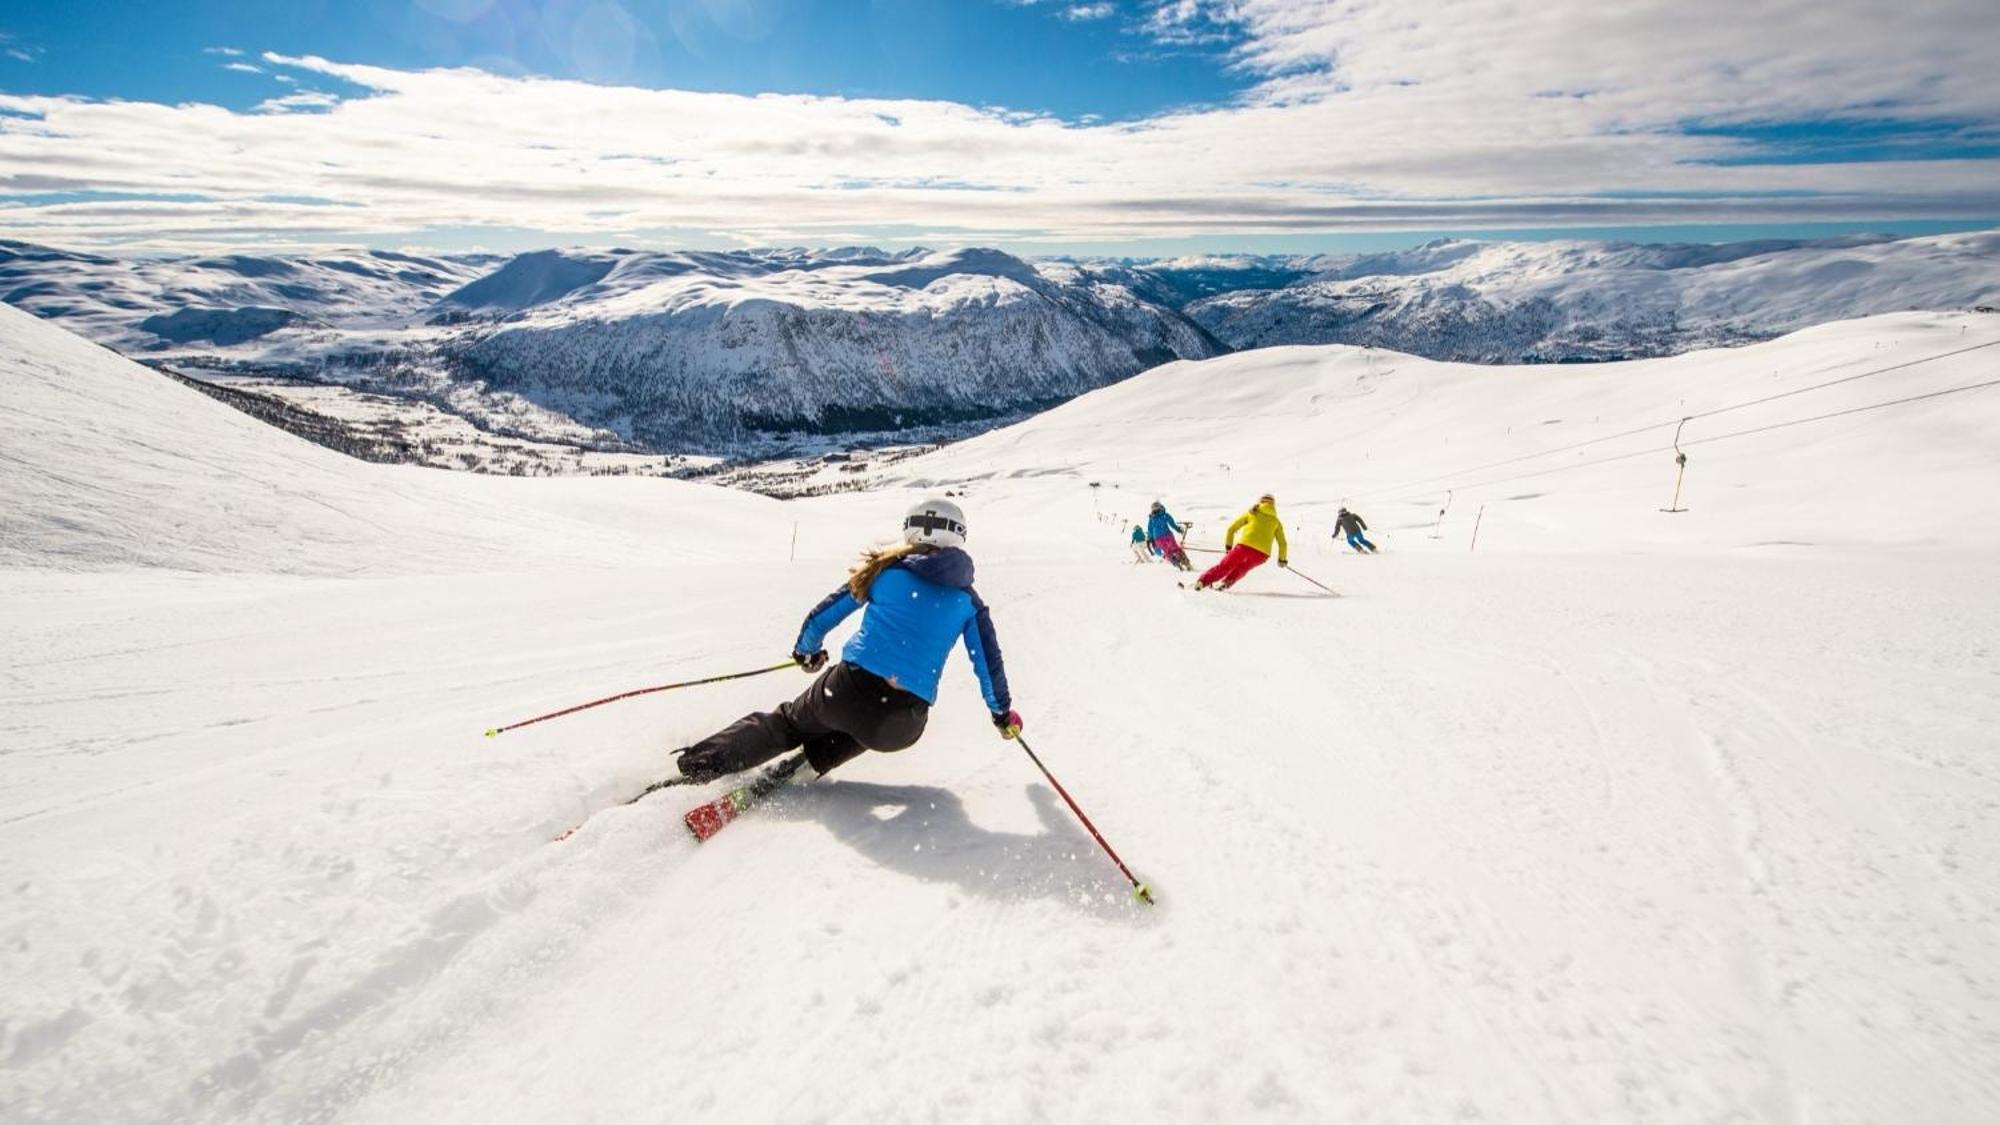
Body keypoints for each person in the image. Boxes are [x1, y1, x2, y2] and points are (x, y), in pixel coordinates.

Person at [674, 498, 1021, 784]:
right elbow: (990, 670)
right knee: (863, 727)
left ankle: (698, 766)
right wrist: (1002, 716)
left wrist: (807, 653)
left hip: (846, 691)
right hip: (904, 724)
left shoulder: (884, 573)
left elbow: (822, 617)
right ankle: (805, 766)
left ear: (911, 530)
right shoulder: (969, 603)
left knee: (789, 723)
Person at [1194, 494, 1289, 590]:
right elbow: (1283, 544)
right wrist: (1282, 560)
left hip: (1244, 547)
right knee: (1243, 568)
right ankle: (1225, 584)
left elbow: (1231, 529)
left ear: (1260, 502)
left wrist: (1228, 548)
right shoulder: (1277, 522)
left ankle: (1202, 582)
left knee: (1225, 566)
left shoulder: (1252, 513)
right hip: (1262, 555)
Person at [1146, 500, 1193, 571]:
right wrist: (1150, 538)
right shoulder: (1152, 518)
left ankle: (1185, 561)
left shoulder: (1164, 515)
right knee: (1167, 551)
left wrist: (1178, 529)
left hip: (1167, 535)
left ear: (1159, 507)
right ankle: (1176, 562)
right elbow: (1150, 529)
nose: (1155, 510)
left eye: (1156, 508)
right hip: (1158, 538)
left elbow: (1171, 523)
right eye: (1153, 508)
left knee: (1174, 548)